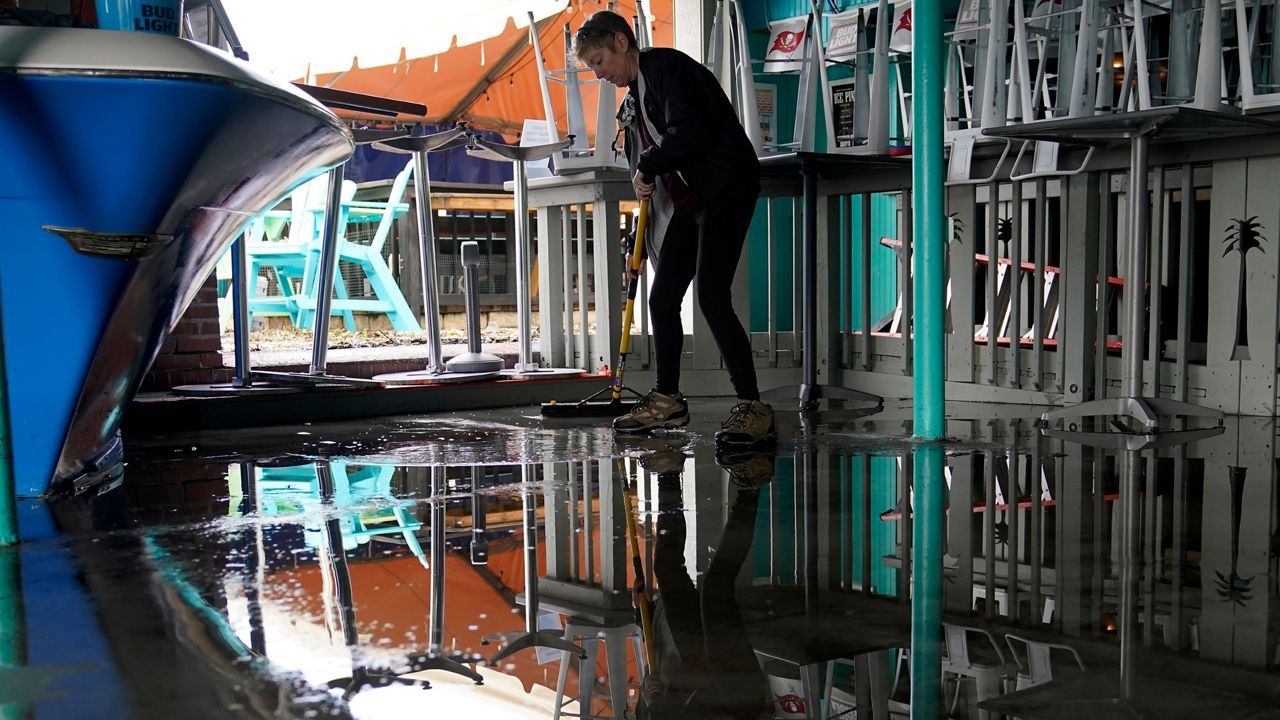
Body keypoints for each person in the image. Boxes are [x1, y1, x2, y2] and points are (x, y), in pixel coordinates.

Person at [574, 10, 775, 447]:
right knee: (662, 298)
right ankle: (667, 398)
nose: (599, 73)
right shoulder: (635, 94)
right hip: (691, 199)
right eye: (592, 67)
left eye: (599, 61)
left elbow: (691, 131)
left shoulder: (667, 69)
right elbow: (651, 160)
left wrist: (650, 163)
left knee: (711, 297)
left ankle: (753, 407)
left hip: (727, 189)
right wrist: (642, 187)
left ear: (621, 43)